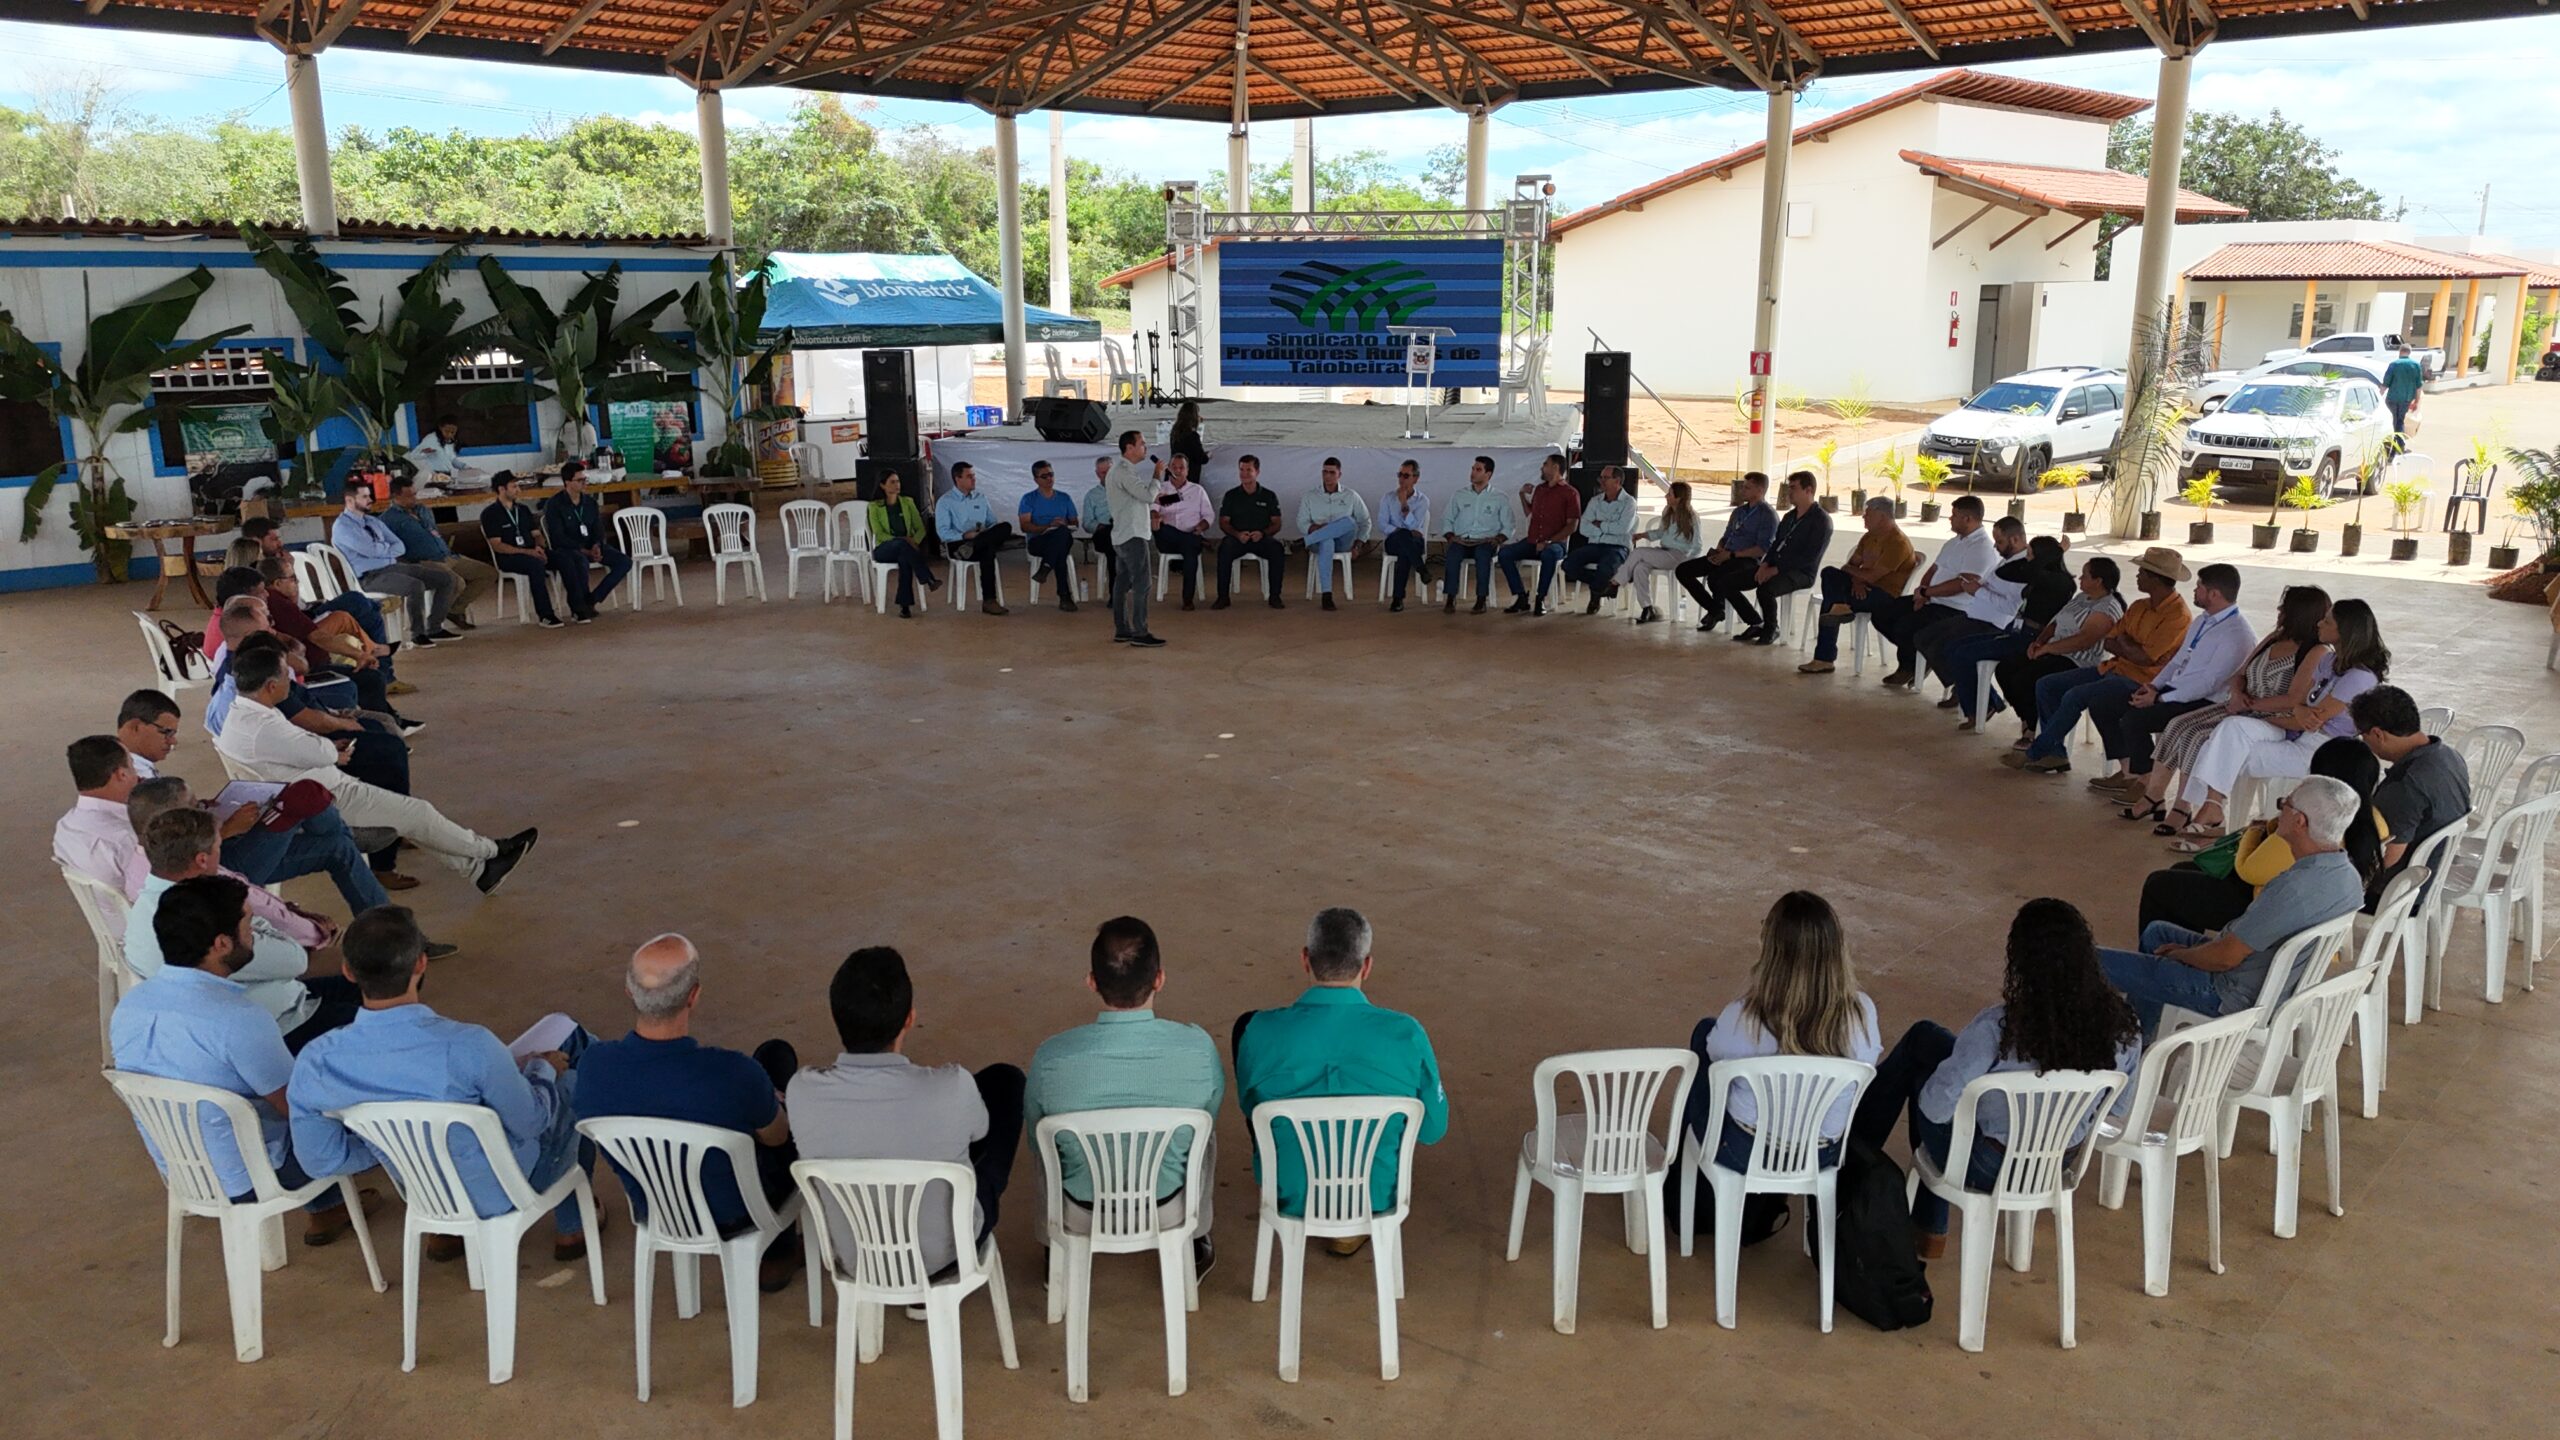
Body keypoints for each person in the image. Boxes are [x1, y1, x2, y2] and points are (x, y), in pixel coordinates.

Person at [290, 905, 601, 1262]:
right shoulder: (470, 1044)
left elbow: (319, 1160)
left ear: (347, 971)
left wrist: (391, 1148)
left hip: (423, 1192)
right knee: (574, 1079)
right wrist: (543, 1072)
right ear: (420, 963)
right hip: (504, 1189)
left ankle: (444, 1231)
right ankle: (573, 1225)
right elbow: (531, 1121)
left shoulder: (317, 1061)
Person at [1850, 898, 2141, 1256]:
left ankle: (1870, 1165)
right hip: (2057, 1161)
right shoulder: (2125, 1028)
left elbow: (1936, 1108)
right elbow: (2119, 1107)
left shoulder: (1998, 1029)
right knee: (1927, 1039)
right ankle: (1924, 1224)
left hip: (1988, 1164)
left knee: (1925, 1075)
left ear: (2020, 963)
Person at [112, 876, 374, 1244]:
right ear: (221, 944)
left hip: (183, 1168)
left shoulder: (129, 1007)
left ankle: (328, 1208)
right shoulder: (239, 1017)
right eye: (249, 925)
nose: (254, 935)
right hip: (257, 1173)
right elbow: (296, 1111)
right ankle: (439, 1215)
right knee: (389, 1108)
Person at [577, 935, 805, 1292]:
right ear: (694, 996)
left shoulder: (594, 1066)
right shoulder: (734, 1071)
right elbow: (778, 1136)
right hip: (737, 1211)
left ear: (629, 992)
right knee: (776, 1058)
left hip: (656, 1208)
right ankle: (776, 1254)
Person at [215, 646, 536, 895]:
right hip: (328, 799)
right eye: (286, 676)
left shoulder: (242, 715)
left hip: (311, 788)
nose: (290, 680)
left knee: (411, 816)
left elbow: (299, 748)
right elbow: (319, 751)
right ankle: (490, 851)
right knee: (418, 812)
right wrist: (331, 751)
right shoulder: (263, 725)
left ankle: (479, 870)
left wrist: (325, 751)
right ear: (271, 685)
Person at [788, 946, 1026, 1280]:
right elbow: (981, 1134)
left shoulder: (801, 1091)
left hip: (855, 1257)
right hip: (946, 1254)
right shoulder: (952, 1086)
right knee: (1006, 1081)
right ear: (910, 1019)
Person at [1670, 891, 1883, 1241]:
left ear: (1771, 951)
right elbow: (1869, 1060)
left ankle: (1686, 1191)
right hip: (1821, 1152)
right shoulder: (1862, 1013)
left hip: (1745, 1149)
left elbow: (1716, 1052)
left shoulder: (1745, 1018)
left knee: (1704, 1035)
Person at [1231, 908, 1448, 1253]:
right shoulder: (1406, 1034)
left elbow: (1249, 1105)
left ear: (1305, 960)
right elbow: (1434, 1130)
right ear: (1367, 966)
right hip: (1375, 1196)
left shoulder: (1258, 1031)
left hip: (1290, 1194)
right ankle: (1350, 1227)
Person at [1023, 916, 1225, 1274]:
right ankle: (1193, 1240)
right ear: (1159, 979)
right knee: (1202, 1136)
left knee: (1045, 1139)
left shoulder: (1051, 1057)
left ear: (1092, 982)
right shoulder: (1198, 1049)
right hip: (1168, 1207)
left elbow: (1038, 1144)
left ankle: (1056, 1250)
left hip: (1081, 1211)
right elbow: (1209, 1119)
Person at [2097, 775, 2365, 1037]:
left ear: (2299, 821)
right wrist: (2191, 952)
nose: (2280, 809)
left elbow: (2225, 958)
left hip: (2229, 993)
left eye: (2285, 804)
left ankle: (2111, 1039)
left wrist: (2182, 956)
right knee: (2158, 932)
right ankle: (2135, 1034)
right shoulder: (2346, 874)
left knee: (2089, 960)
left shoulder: (2293, 888)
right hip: (2262, 976)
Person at [125, 807, 361, 1051]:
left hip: (243, 1010)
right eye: (218, 847)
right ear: (202, 860)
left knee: (367, 978)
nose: (221, 854)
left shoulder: (142, 907)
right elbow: (295, 960)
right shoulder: (207, 913)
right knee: (383, 1013)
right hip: (278, 1027)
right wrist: (253, 917)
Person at [122, 772, 412, 949]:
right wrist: (225, 830)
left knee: (336, 846)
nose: (204, 809)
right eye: (196, 807)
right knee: (301, 797)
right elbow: (282, 919)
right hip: (234, 864)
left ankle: (391, 931)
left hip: (226, 855)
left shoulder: (146, 856)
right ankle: (394, 938)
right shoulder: (212, 880)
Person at [2133, 585, 2332, 835]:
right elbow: (2240, 674)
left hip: (2272, 720)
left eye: (2284, 607)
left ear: (2299, 613)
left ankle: (2184, 808)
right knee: (2178, 725)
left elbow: (2293, 699)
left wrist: (2250, 705)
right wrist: (2238, 694)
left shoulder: (2315, 652)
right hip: (2242, 706)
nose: (2279, 611)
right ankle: (2155, 797)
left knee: (2198, 738)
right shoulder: (2274, 638)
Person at [2139, 738, 2387, 936]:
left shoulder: (2307, 822)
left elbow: (2250, 871)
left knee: (2159, 884)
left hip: (2268, 909)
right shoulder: (2372, 818)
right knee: (2184, 870)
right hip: (2307, 904)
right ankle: (2183, 951)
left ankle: (2162, 963)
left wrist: (2252, 833)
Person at [2180, 599, 2389, 825]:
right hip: (2295, 733)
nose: (2319, 624)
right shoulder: (2330, 661)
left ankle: (2211, 808)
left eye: (2327, 621)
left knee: (2222, 750)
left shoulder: (2359, 677)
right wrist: (2296, 712)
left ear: (2345, 631)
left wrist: (2279, 717)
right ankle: (2213, 807)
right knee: (2231, 728)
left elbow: (2310, 720)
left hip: (2321, 748)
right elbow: (2302, 705)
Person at [2002, 547, 2194, 774]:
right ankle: (2055, 753)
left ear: (2155, 579)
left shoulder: (2177, 615)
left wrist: (2126, 644)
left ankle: (2036, 752)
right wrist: (2127, 646)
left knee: (2077, 695)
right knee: (2047, 684)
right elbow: (2110, 641)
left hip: (2143, 681)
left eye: (2142, 572)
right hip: (2114, 668)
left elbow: (2144, 659)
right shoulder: (2139, 606)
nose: (2137, 576)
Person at [2091, 563, 2256, 800]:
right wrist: (2154, 687)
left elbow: (2207, 684)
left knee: (2134, 719)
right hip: (2174, 690)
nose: (2194, 590)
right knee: (2103, 703)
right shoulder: (2203, 620)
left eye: (2199, 586)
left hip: (2203, 701)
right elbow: (2178, 661)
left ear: (2214, 594)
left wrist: (2159, 698)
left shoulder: (2236, 634)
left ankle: (2146, 783)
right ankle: (2128, 773)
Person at [1977, 556, 2123, 740]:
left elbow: (2084, 640)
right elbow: (2055, 622)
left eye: (2085, 576)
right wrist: (2040, 641)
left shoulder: (2107, 607)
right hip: (2054, 651)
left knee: (2028, 678)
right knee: (2006, 669)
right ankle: (2028, 718)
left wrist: (2048, 649)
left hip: (2078, 660)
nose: (2080, 579)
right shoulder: (2081, 597)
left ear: (2098, 581)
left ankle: (2033, 729)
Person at [1939, 532, 2077, 725]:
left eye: (2030, 554)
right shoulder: (2036, 574)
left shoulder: (2059, 581)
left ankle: (1981, 708)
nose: (2026, 558)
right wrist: (2050, 554)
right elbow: (2006, 571)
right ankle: (1989, 702)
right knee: (1954, 647)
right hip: (2016, 630)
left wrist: (2053, 553)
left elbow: (2025, 572)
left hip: (2033, 637)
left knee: (1964, 654)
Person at [2356, 685, 2473, 901]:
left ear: (2377, 734)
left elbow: (2384, 859)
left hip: (2402, 891)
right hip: (2436, 872)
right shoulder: (2448, 755)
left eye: (2363, 736)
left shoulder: (2405, 786)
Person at [1869, 495, 1995, 688]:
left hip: (1955, 607)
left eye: (1954, 515)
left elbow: (1962, 583)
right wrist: (1922, 592)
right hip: (1932, 598)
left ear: (1967, 519)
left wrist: (1929, 593)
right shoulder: (1954, 542)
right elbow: (1934, 569)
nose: (1949, 519)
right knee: (1883, 613)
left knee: (1906, 625)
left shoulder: (1981, 547)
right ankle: (1916, 660)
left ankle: (1912, 666)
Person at [332, 482, 461, 646]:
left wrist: (382, 549)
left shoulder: (372, 521)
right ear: (349, 501)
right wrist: (385, 548)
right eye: (364, 497)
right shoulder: (343, 527)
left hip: (392, 567)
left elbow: (399, 546)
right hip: (368, 577)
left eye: (369, 496)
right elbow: (370, 550)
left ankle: (434, 627)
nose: (370, 500)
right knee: (415, 586)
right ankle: (418, 633)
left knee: (445, 579)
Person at [1797, 498, 1917, 674]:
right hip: (1860, 587)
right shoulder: (1869, 537)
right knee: (1830, 573)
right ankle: (1839, 609)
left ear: (1882, 516)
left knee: (1830, 602)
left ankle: (1824, 657)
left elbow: (1872, 576)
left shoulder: (1897, 543)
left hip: (1883, 595)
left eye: (1868, 514)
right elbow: (1849, 566)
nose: (1863, 516)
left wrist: (1858, 576)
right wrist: (1857, 580)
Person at [239, 515, 390, 652]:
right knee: (357, 602)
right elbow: (290, 606)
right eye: (274, 539)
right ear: (256, 541)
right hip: (302, 625)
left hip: (305, 613)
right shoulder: (260, 573)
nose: (280, 543)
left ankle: (377, 648)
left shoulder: (270, 564)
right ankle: (380, 656)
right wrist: (290, 568)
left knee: (363, 607)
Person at [1726, 470, 1831, 645]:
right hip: (1774, 566)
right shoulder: (1790, 516)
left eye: (1794, 488)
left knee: (1765, 589)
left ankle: (1771, 627)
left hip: (1801, 572)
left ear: (1809, 490)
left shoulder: (1821, 520)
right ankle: (1755, 622)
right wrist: (1765, 564)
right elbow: (1776, 544)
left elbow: (1809, 557)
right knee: (1727, 582)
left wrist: (1776, 570)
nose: (1789, 492)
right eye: (1789, 488)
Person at [381, 474, 492, 629]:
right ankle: (435, 622)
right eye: (409, 495)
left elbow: (433, 531)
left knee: (487, 573)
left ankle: (454, 610)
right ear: (396, 496)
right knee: (456, 582)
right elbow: (386, 547)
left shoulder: (424, 510)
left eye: (414, 494)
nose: (414, 498)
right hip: (423, 560)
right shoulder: (388, 519)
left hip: (447, 555)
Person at [1675, 471, 1776, 633]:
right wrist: (1720, 551)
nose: (1743, 490)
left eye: (1747, 488)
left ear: (1760, 490)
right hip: (1726, 555)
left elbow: (1762, 548)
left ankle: (1754, 621)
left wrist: (1732, 555)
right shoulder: (1739, 512)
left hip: (1745, 560)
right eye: (1743, 487)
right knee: (1683, 570)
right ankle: (1715, 609)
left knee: (1718, 578)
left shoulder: (1767, 515)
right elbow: (1726, 535)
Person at [540, 461, 632, 623]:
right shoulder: (555, 504)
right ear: (567, 482)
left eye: (585, 479)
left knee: (624, 562)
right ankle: (578, 606)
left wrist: (597, 545)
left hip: (591, 545)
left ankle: (593, 598)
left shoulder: (589, 502)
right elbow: (557, 537)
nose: (584, 483)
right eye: (580, 480)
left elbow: (598, 528)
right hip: (568, 548)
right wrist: (584, 551)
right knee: (578, 561)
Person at [477, 471, 564, 629]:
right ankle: (545, 614)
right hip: (510, 557)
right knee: (535, 566)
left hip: (532, 551)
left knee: (566, 558)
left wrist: (540, 547)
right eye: (514, 486)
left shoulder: (523, 510)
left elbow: (536, 534)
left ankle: (580, 605)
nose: (518, 490)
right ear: (501, 489)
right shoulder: (490, 514)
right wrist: (528, 552)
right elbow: (498, 545)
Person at [1498, 455, 1583, 616]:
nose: (1542, 468)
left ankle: (1541, 598)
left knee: (1549, 555)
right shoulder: (1540, 489)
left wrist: (1550, 541)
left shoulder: (1570, 493)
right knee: (1505, 553)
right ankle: (1521, 596)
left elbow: (1572, 525)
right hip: (1533, 540)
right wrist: (1522, 495)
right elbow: (1530, 513)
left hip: (1555, 543)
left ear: (1556, 468)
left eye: (1546, 464)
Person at [1611, 480, 1703, 623]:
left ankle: (1616, 582)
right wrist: (1643, 535)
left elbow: (1697, 544)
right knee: (1640, 568)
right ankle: (1647, 608)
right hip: (1663, 552)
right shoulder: (1668, 512)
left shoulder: (1691, 517)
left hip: (1679, 556)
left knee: (1638, 552)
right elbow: (1661, 533)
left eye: (1670, 494)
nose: (1666, 496)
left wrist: (1688, 562)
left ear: (1679, 498)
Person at [1106, 432, 1165, 648]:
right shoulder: (1123, 472)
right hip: (1132, 535)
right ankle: (1140, 631)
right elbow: (1148, 496)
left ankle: (1122, 629)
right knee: (1142, 583)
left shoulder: (1122, 471)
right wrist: (1157, 475)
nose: (1145, 447)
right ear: (1129, 448)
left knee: (1122, 582)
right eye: (1142, 444)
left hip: (1123, 533)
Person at [1441, 455, 1517, 615]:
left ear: (1488, 474)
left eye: (1478, 470)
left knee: (1483, 557)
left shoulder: (1499, 497)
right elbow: (1447, 518)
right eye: (1472, 469)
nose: (1473, 473)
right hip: (1462, 539)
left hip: (1485, 541)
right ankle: (1450, 597)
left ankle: (1481, 599)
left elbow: (1509, 525)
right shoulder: (1459, 495)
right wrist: (1450, 536)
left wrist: (1498, 539)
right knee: (1452, 556)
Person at [1295, 457, 1374, 612]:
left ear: (1339, 474)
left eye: (1332, 472)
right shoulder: (1310, 496)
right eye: (1325, 472)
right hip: (1319, 541)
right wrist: (1317, 529)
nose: (1328, 476)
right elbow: (1301, 522)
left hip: (1344, 541)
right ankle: (1327, 594)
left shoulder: (1350, 495)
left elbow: (1365, 522)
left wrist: (1358, 545)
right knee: (1327, 541)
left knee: (1350, 522)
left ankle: (1304, 542)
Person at [935, 461, 1013, 616]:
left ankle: (975, 544)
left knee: (1006, 527)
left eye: (974, 476)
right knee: (988, 550)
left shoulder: (980, 497)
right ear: (958, 479)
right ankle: (989, 601)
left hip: (979, 540)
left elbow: (993, 523)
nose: (974, 479)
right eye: (969, 476)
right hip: (958, 544)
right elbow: (943, 533)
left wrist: (983, 532)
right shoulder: (945, 502)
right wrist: (964, 535)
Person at [1215, 454, 1287, 610]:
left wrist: (1263, 533)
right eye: (1241, 469)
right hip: (1237, 538)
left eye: (1249, 470)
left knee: (1277, 549)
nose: (1244, 474)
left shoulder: (1269, 496)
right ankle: (1223, 597)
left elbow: (1277, 523)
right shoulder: (1231, 495)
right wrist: (1237, 534)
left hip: (1260, 538)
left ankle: (1275, 596)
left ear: (1257, 472)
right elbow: (1224, 522)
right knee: (1224, 548)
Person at [1558, 464, 1634, 612]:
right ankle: (1606, 585)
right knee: (1568, 564)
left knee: (1606, 567)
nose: (1601, 481)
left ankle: (1595, 596)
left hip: (1617, 546)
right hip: (1595, 545)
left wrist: (1599, 525)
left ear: (1617, 481)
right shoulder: (1595, 501)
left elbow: (1622, 529)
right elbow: (1584, 528)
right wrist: (1608, 528)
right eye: (1601, 477)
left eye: (1606, 478)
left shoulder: (1629, 502)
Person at [867, 469, 940, 619]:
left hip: (906, 548)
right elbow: (879, 533)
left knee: (905, 558)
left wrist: (914, 541)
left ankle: (905, 606)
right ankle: (927, 577)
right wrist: (903, 540)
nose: (897, 485)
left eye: (898, 481)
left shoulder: (908, 502)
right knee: (902, 545)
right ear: (882, 485)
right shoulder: (874, 507)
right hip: (884, 548)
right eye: (892, 482)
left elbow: (920, 528)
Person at [1150, 452, 1214, 612]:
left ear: (1187, 470)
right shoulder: (1161, 488)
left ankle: (1187, 599)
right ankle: (1198, 541)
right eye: (1174, 467)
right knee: (1172, 533)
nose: (1177, 471)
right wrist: (1155, 515)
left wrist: (1201, 527)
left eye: (1181, 468)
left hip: (1192, 536)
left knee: (1190, 550)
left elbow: (1209, 515)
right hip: (1167, 539)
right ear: (1168, 469)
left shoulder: (1197, 490)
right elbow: (1152, 509)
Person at [1017, 460, 1081, 613]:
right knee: (1060, 549)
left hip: (1061, 536)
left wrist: (1062, 523)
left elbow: (1075, 522)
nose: (1049, 479)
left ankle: (1046, 568)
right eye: (1044, 476)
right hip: (1038, 540)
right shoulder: (1028, 498)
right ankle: (1064, 596)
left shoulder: (1064, 497)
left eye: (1051, 475)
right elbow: (1024, 526)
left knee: (1062, 534)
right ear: (1036, 480)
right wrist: (1048, 526)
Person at [1378, 460, 1432, 612]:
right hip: (1393, 540)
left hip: (1415, 542)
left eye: (1406, 476)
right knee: (1403, 536)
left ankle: (1398, 598)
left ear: (1415, 478)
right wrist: (1399, 531)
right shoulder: (1387, 498)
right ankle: (1421, 568)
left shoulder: (1422, 501)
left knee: (1405, 549)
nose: (1401, 479)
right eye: (1400, 475)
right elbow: (1382, 525)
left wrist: (1404, 505)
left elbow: (1415, 527)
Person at [403, 413, 480, 485]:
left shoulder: (450, 442)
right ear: (440, 427)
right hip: (435, 475)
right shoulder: (431, 439)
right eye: (446, 431)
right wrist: (425, 453)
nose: (449, 434)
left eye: (453, 432)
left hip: (448, 474)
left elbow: (452, 459)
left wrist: (466, 467)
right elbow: (414, 455)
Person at [1080, 455, 1118, 595]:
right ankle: (1116, 591)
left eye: (1109, 471)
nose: (1107, 475)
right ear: (1097, 474)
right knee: (1112, 546)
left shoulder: (1125, 490)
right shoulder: (1091, 495)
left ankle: (1117, 591)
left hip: (1122, 531)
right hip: (1103, 533)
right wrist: (1099, 526)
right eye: (1103, 473)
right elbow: (1087, 523)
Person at [2382, 344, 2424, 443]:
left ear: (2400, 351)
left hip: (2392, 398)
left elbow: (2385, 383)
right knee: (2400, 421)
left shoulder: (2394, 364)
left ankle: (2393, 444)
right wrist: (2416, 402)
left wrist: (2379, 395)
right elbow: (2419, 386)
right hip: (2406, 399)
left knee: (2392, 421)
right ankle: (2399, 443)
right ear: (2409, 352)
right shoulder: (2416, 365)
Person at [1168, 399, 1210, 480]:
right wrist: (1208, 455)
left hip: (1174, 475)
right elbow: (1201, 458)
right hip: (1189, 477)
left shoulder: (1174, 433)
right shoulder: (1192, 436)